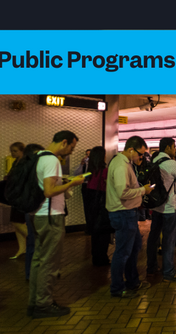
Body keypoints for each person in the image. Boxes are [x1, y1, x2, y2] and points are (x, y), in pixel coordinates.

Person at [28, 131, 86, 319]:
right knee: (50, 262)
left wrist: (65, 181)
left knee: (38, 260)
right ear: (63, 142)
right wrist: (73, 183)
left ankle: (35, 302)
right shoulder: (51, 160)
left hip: (38, 214)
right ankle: (43, 304)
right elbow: (49, 191)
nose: (71, 151)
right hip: (51, 215)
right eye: (71, 147)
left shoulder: (38, 156)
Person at [107, 136, 153, 298]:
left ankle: (133, 281)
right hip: (123, 213)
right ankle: (117, 288)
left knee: (134, 248)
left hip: (128, 213)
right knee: (123, 252)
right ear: (131, 149)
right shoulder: (121, 165)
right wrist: (143, 190)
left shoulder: (125, 164)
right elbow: (122, 192)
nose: (142, 158)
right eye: (141, 154)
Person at [146, 138, 176, 281]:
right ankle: (168, 272)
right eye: (174, 147)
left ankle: (151, 267)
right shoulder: (172, 164)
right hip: (170, 207)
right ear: (168, 147)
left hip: (157, 206)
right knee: (169, 240)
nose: (175, 149)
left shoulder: (154, 161)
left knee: (153, 237)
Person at [81, 146, 112, 266]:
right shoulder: (105, 171)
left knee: (95, 232)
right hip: (102, 203)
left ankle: (95, 257)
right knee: (104, 232)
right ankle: (102, 258)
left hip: (91, 203)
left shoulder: (90, 171)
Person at [23, 143, 45, 282]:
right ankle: (33, 273)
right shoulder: (32, 169)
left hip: (29, 208)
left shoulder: (24, 168)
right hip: (36, 209)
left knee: (33, 241)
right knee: (36, 242)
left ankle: (31, 273)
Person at [7, 142, 27, 259]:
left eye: (15, 151)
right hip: (16, 195)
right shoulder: (16, 162)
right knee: (16, 223)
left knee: (16, 221)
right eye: (12, 151)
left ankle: (36, 239)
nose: (12, 153)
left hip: (21, 196)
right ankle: (22, 248)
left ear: (21, 151)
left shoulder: (24, 163)